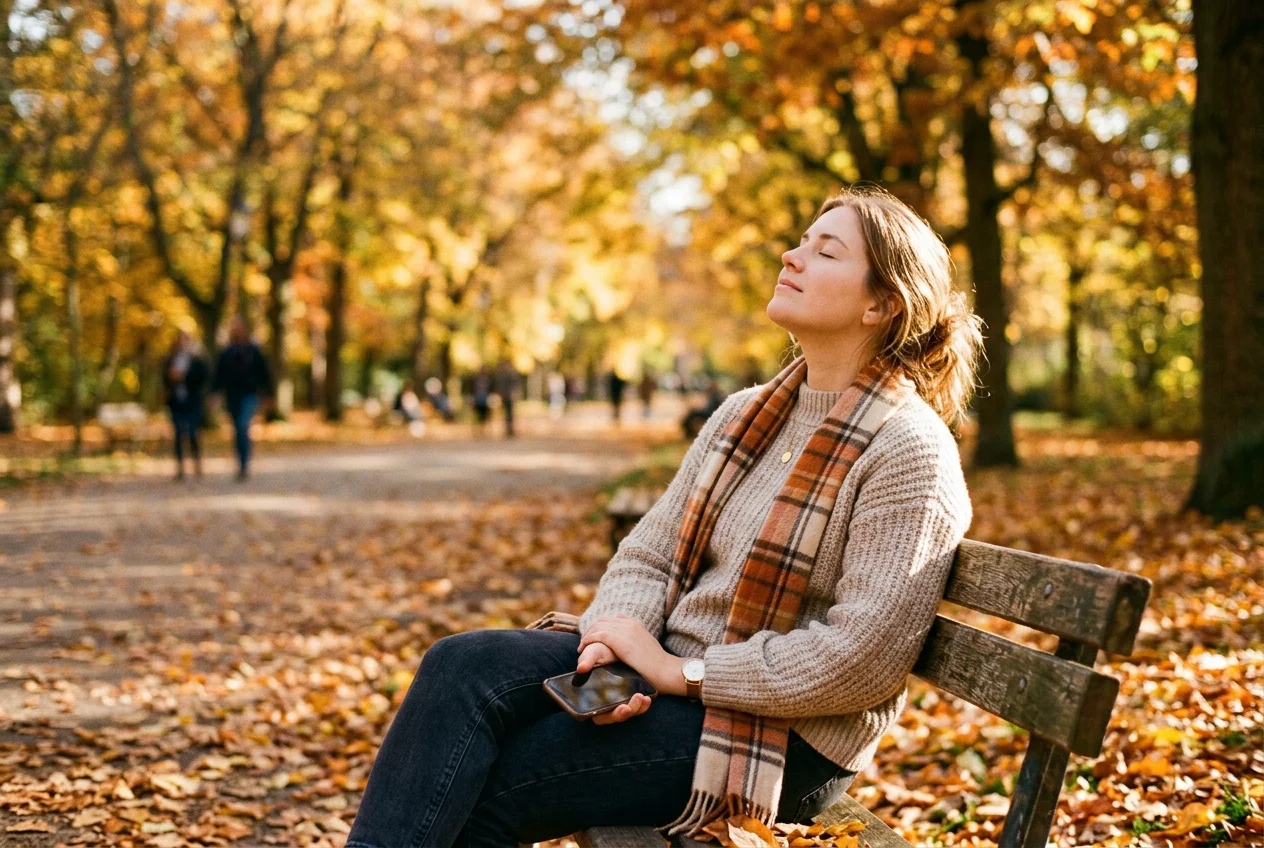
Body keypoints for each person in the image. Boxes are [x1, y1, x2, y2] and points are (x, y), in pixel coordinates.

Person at [346, 186, 984, 848]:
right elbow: (648, 553)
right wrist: (610, 641)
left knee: (493, 789)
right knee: (461, 666)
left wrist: (681, 674)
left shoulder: (909, 451)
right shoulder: (745, 416)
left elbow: (863, 659)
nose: (792, 257)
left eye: (826, 251)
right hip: (669, 668)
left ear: (882, 303)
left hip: (788, 740)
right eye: (801, 241)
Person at [211, 317, 273, 481]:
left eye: (239, 327)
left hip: (249, 395)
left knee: (243, 426)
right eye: (234, 328)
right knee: (237, 430)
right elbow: (219, 375)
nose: (236, 331)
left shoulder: (253, 350)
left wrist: (268, 394)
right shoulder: (227, 351)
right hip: (232, 396)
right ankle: (240, 462)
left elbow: (264, 373)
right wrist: (215, 393)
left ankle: (244, 465)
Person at [161, 330, 209, 481]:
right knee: (178, 433)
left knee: (193, 432)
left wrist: (184, 376)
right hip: (176, 402)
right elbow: (164, 378)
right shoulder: (170, 359)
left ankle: (196, 461)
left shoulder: (197, 360)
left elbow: (203, 378)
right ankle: (180, 468)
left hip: (193, 402)